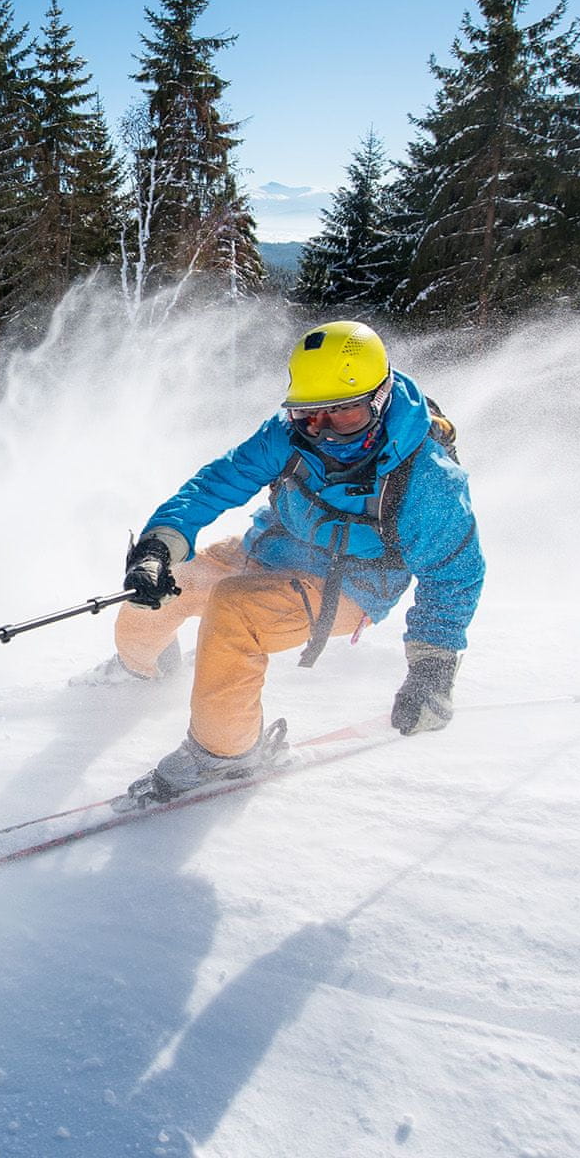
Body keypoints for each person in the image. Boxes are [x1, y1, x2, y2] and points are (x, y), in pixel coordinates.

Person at [107, 321, 484, 805]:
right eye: (309, 415)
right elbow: (216, 483)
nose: (322, 431)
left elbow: (455, 573)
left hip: (352, 583)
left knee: (234, 610)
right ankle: (141, 668)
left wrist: (432, 669)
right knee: (171, 585)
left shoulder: (426, 477)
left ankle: (226, 754)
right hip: (270, 545)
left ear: (380, 398)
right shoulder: (288, 437)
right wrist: (159, 546)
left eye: (342, 415)